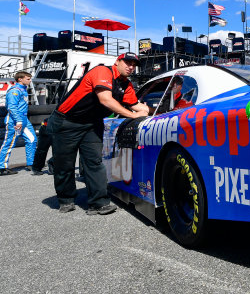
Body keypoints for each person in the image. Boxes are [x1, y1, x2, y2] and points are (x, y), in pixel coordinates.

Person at [47, 52, 149, 214]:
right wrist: (132, 115)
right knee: (64, 164)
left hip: (91, 124)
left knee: (94, 163)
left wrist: (152, 112)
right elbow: (105, 99)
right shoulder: (102, 71)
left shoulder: (126, 85)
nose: (131, 67)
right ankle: (66, 199)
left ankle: (99, 202)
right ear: (117, 62)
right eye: (127, 63)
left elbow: (137, 106)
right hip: (67, 121)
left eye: (134, 65)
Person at [0, 71, 37, 176]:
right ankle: (2, 167)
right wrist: (19, 121)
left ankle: (31, 163)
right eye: (28, 79)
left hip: (24, 119)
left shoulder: (23, 89)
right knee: (9, 143)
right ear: (20, 79)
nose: (30, 81)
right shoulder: (14, 91)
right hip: (14, 121)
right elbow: (11, 107)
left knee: (32, 140)